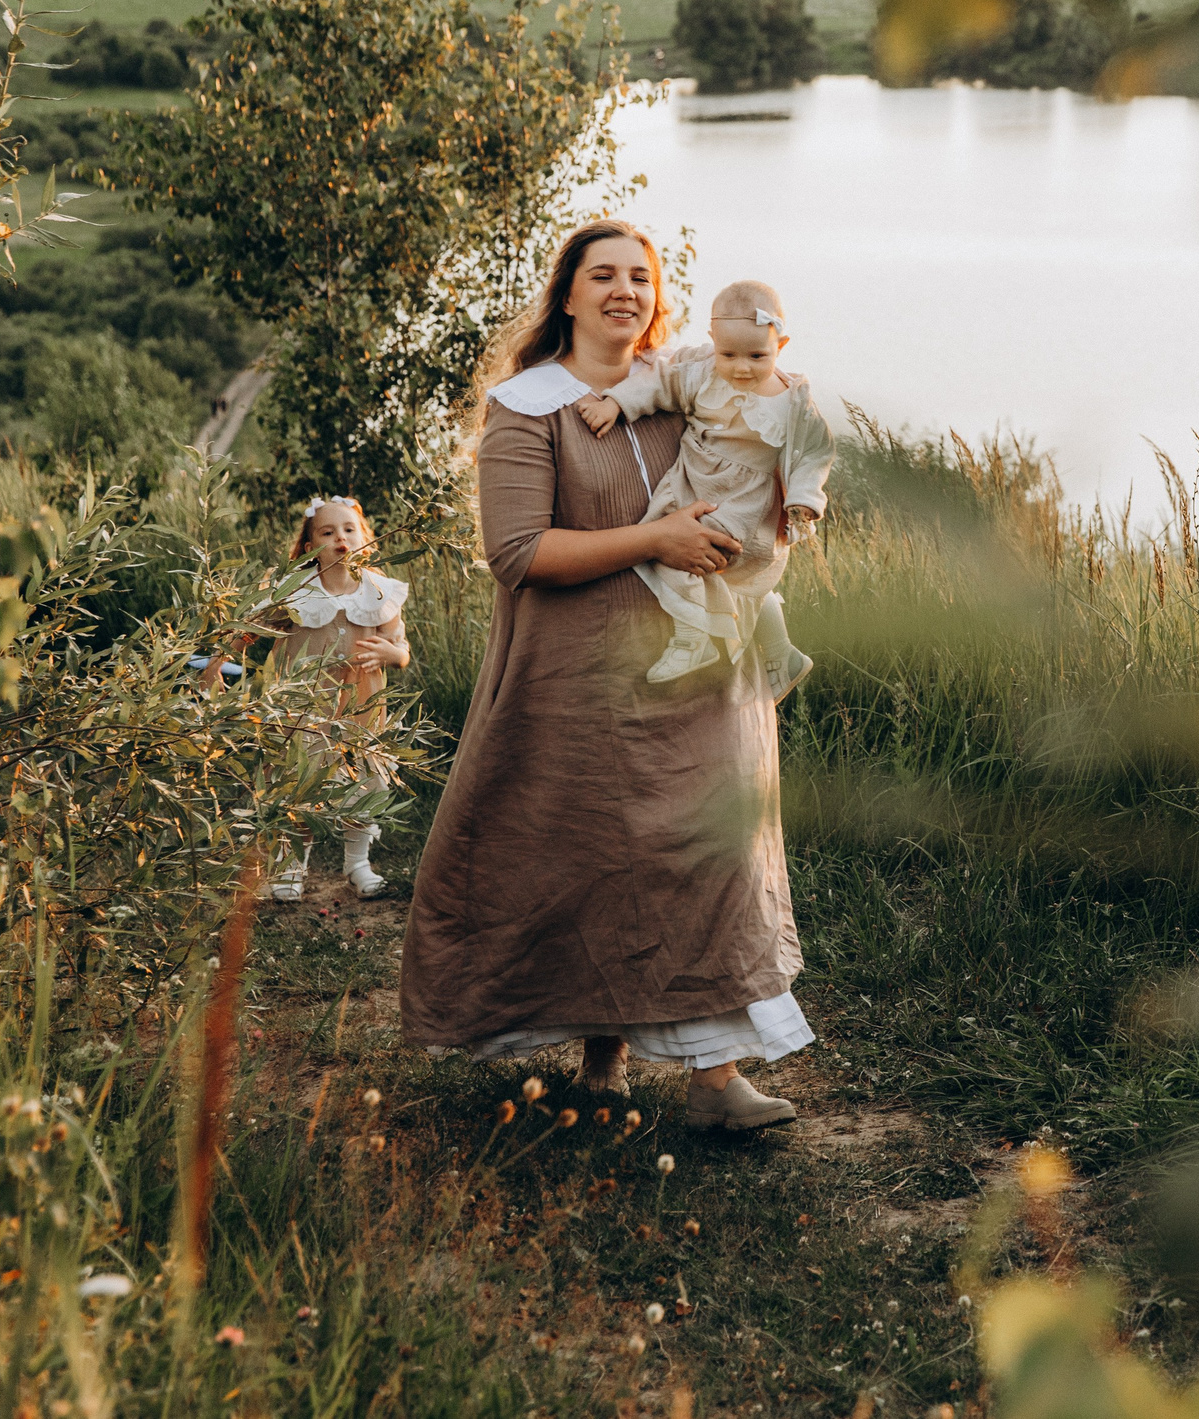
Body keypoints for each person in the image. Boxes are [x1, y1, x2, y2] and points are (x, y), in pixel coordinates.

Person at [399, 218, 809, 1132]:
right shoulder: (526, 405)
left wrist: (780, 498)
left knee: (705, 854)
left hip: (702, 665)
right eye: (606, 275)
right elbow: (515, 550)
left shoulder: (687, 391)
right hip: (576, 679)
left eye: (642, 277)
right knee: (592, 859)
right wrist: (656, 538)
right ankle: (604, 1062)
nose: (626, 290)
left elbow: (755, 464)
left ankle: (715, 1082)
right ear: (570, 292)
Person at [573, 278, 835, 700]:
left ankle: (692, 637)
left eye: (757, 355)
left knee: (695, 551)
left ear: (781, 346)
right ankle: (781, 653)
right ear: (712, 340)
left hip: (746, 499)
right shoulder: (701, 373)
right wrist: (615, 403)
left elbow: (816, 452)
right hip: (695, 480)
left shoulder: (792, 399)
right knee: (695, 554)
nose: (742, 367)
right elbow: (659, 385)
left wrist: (805, 498)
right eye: (728, 354)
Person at [207, 495, 411, 902]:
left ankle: (358, 864)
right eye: (328, 531)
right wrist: (219, 661)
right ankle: (291, 866)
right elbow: (252, 629)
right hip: (303, 710)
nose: (341, 537)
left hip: (361, 710)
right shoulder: (296, 591)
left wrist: (393, 654)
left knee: (363, 783)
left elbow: (401, 649)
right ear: (307, 546)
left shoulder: (377, 591)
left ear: (364, 539)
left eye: (350, 529)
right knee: (299, 782)